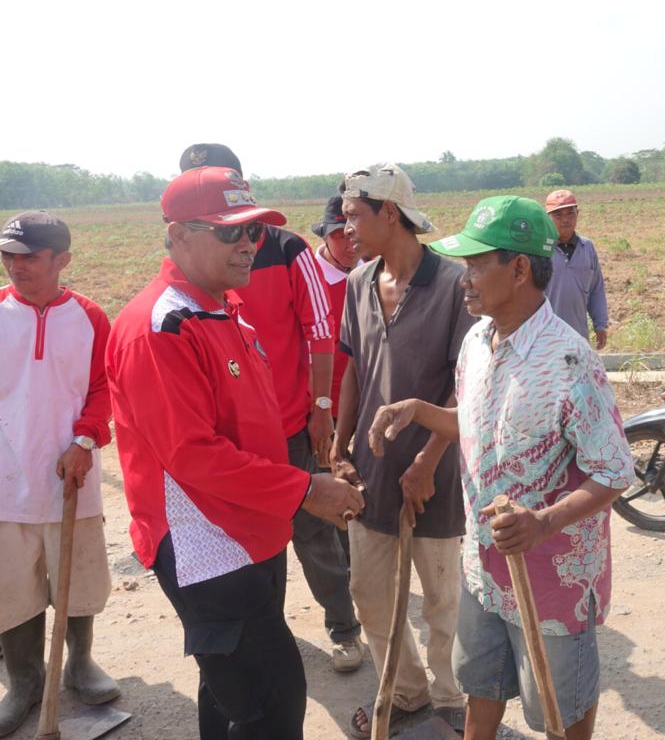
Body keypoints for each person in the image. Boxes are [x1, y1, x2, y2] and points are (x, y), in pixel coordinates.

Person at [106, 166, 364, 739]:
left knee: (228, 694)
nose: (248, 245)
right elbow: (193, 455)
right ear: (178, 235)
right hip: (206, 543)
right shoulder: (162, 327)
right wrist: (304, 488)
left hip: (251, 528)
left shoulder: (224, 307)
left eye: (252, 232)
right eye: (230, 233)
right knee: (271, 699)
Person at [367, 195, 634, 740]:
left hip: (553, 577)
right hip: (484, 566)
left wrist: (544, 523)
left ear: (518, 270)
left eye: (476, 264)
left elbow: (614, 470)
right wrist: (419, 411)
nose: (463, 279)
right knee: (481, 684)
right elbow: (479, 425)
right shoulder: (477, 342)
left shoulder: (568, 359)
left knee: (560, 707)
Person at [179, 144, 363, 672]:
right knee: (242, 537)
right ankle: (266, 630)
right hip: (225, 437)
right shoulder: (191, 262)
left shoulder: (284, 247)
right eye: (195, 179)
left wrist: (321, 405)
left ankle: (343, 627)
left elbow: (320, 330)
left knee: (312, 532)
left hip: (286, 425)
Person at [330, 163, 474, 738]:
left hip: (433, 472)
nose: (346, 232)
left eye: (356, 217)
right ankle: (406, 689)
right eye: (343, 219)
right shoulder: (358, 282)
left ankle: (450, 698)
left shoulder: (454, 284)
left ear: (391, 212)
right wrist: (339, 447)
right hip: (371, 468)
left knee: (442, 600)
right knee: (370, 594)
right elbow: (353, 371)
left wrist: (427, 460)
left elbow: (464, 385)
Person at [0, 212, 120, 737]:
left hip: (71, 472)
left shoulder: (90, 317)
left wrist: (84, 438)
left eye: (29, 256)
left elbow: (104, 387)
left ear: (61, 260)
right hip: (5, 477)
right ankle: (24, 680)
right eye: (9, 255)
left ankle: (81, 663)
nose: (15, 266)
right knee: (11, 585)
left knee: (79, 573)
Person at [544, 189, 609, 350]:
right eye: (558, 215)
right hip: (545, 336)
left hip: (578, 334)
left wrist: (600, 324)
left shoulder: (587, 247)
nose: (565, 220)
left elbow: (596, 289)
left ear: (577, 214)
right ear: (547, 218)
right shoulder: (539, 250)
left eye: (570, 213)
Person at [311, 195, 359, 416]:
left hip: (368, 396)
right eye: (340, 236)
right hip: (326, 405)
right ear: (324, 236)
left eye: (354, 235)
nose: (351, 247)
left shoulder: (377, 270)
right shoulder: (308, 280)